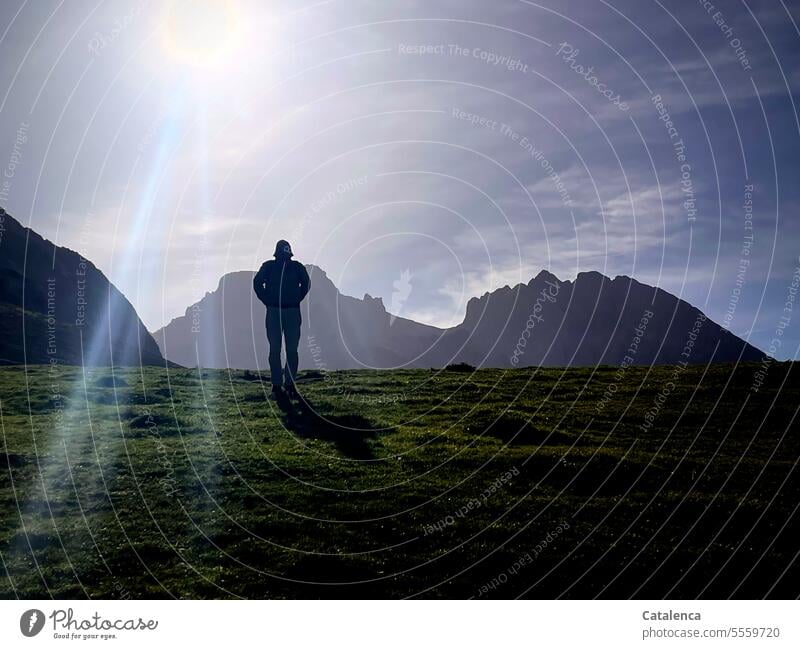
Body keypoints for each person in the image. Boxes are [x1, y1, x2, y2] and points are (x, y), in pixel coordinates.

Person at [253, 240, 310, 397]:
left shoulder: (297, 267)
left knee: (289, 350)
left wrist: (296, 298)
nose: (285, 257)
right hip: (278, 311)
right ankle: (278, 385)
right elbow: (257, 283)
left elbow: (306, 284)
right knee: (277, 350)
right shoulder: (270, 267)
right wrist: (267, 300)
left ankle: (287, 384)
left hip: (287, 311)